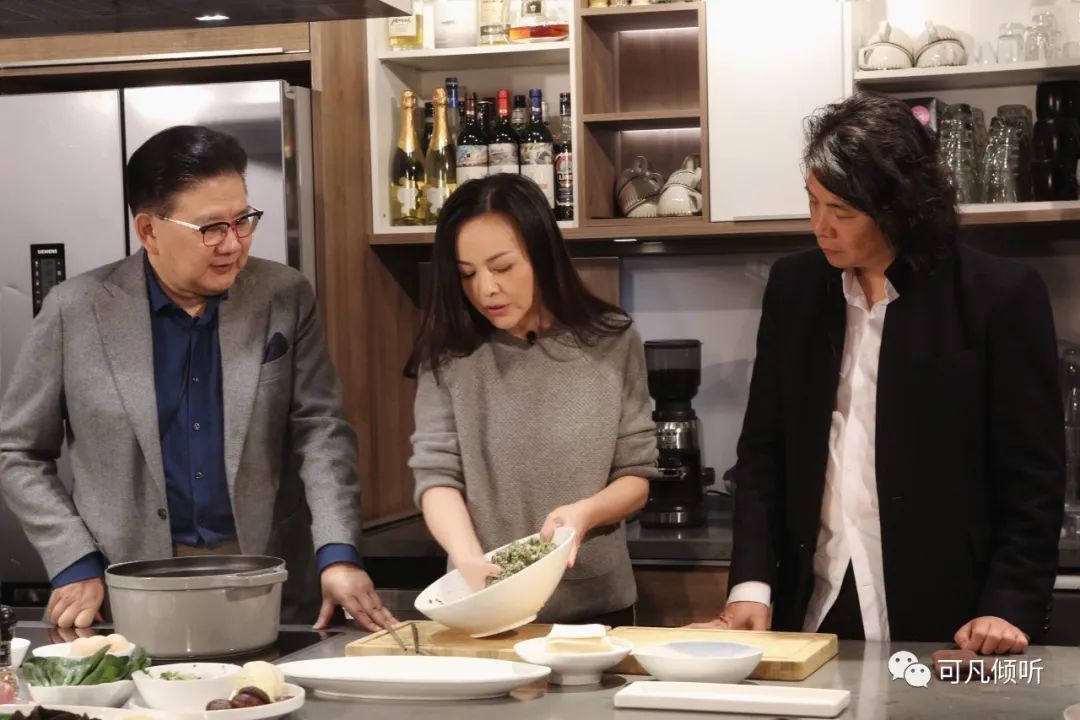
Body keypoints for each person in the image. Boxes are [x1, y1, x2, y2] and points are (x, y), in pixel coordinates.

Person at [694, 93, 1065, 654]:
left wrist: (1007, 605)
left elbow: (1033, 480)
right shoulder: (795, 290)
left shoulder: (998, 296)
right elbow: (764, 452)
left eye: (842, 212)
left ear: (900, 207)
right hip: (813, 603)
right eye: (813, 203)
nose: (821, 226)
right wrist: (751, 584)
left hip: (951, 617)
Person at [0, 125, 394, 632]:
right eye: (211, 228)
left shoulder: (283, 295)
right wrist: (73, 559)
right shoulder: (75, 311)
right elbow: (18, 451)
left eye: (243, 221)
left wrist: (337, 551)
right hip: (126, 588)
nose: (233, 244)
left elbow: (321, 430)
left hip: (267, 581)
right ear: (148, 231)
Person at [406, 173, 657, 625]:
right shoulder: (449, 356)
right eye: (467, 274)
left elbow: (636, 476)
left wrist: (585, 513)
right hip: (483, 604)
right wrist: (468, 558)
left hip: (597, 607)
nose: (485, 289)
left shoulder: (612, 341)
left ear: (542, 256)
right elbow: (436, 475)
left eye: (502, 267)